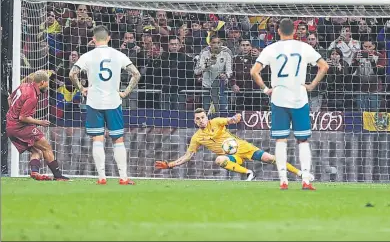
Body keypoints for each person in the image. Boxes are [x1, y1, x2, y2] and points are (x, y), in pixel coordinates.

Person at [250, 18, 329, 190]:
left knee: (280, 140)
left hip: (279, 97)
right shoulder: (304, 47)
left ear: (278, 31)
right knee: (303, 140)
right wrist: (312, 85)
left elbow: (254, 71)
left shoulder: (271, 49)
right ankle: (306, 179)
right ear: (295, 31)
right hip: (300, 97)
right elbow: (324, 66)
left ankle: (283, 180)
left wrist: (265, 89)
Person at [69, 25, 141, 185]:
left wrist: (81, 89)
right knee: (118, 139)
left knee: (97, 138)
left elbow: (72, 73)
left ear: (93, 39)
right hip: (113, 101)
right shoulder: (118, 54)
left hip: (94, 101)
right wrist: (125, 92)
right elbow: (136, 74)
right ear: (109, 38)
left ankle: (101, 177)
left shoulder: (87, 56)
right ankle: (123, 177)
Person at [154, 109, 304, 181]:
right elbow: (188, 155)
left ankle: (300, 173)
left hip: (245, 148)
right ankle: (248, 173)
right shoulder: (197, 138)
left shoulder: (217, 121)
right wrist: (170, 165)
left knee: (271, 158)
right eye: (198, 119)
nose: (201, 120)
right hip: (233, 157)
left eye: (202, 117)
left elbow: (231, 120)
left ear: (207, 117)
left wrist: (236, 118)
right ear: (195, 121)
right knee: (219, 160)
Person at [6, 70, 69, 181]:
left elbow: (9, 98)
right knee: (47, 147)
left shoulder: (23, 86)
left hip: (10, 126)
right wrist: (40, 122)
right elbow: (22, 117)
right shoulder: (32, 96)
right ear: (42, 82)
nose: (48, 86)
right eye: (47, 83)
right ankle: (58, 176)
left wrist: (12, 114)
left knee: (37, 151)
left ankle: (35, 172)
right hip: (20, 126)